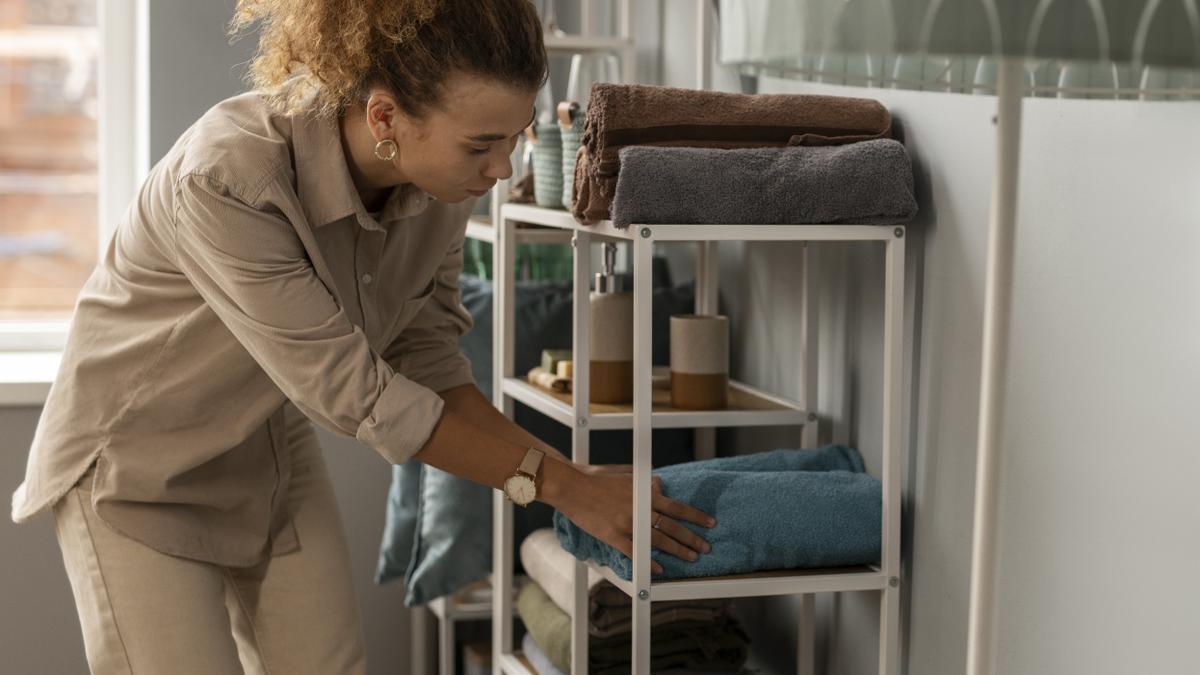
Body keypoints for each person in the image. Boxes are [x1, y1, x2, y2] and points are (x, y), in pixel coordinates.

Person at [10, 0, 716, 672]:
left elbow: (429, 358)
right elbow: (360, 395)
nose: (501, 169)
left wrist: (572, 479)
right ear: (385, 116)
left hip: (263, 442)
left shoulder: (439, 188)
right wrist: (561, 485)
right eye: (480, 144)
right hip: (135, 467)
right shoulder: (225, 178)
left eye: (513, 137)